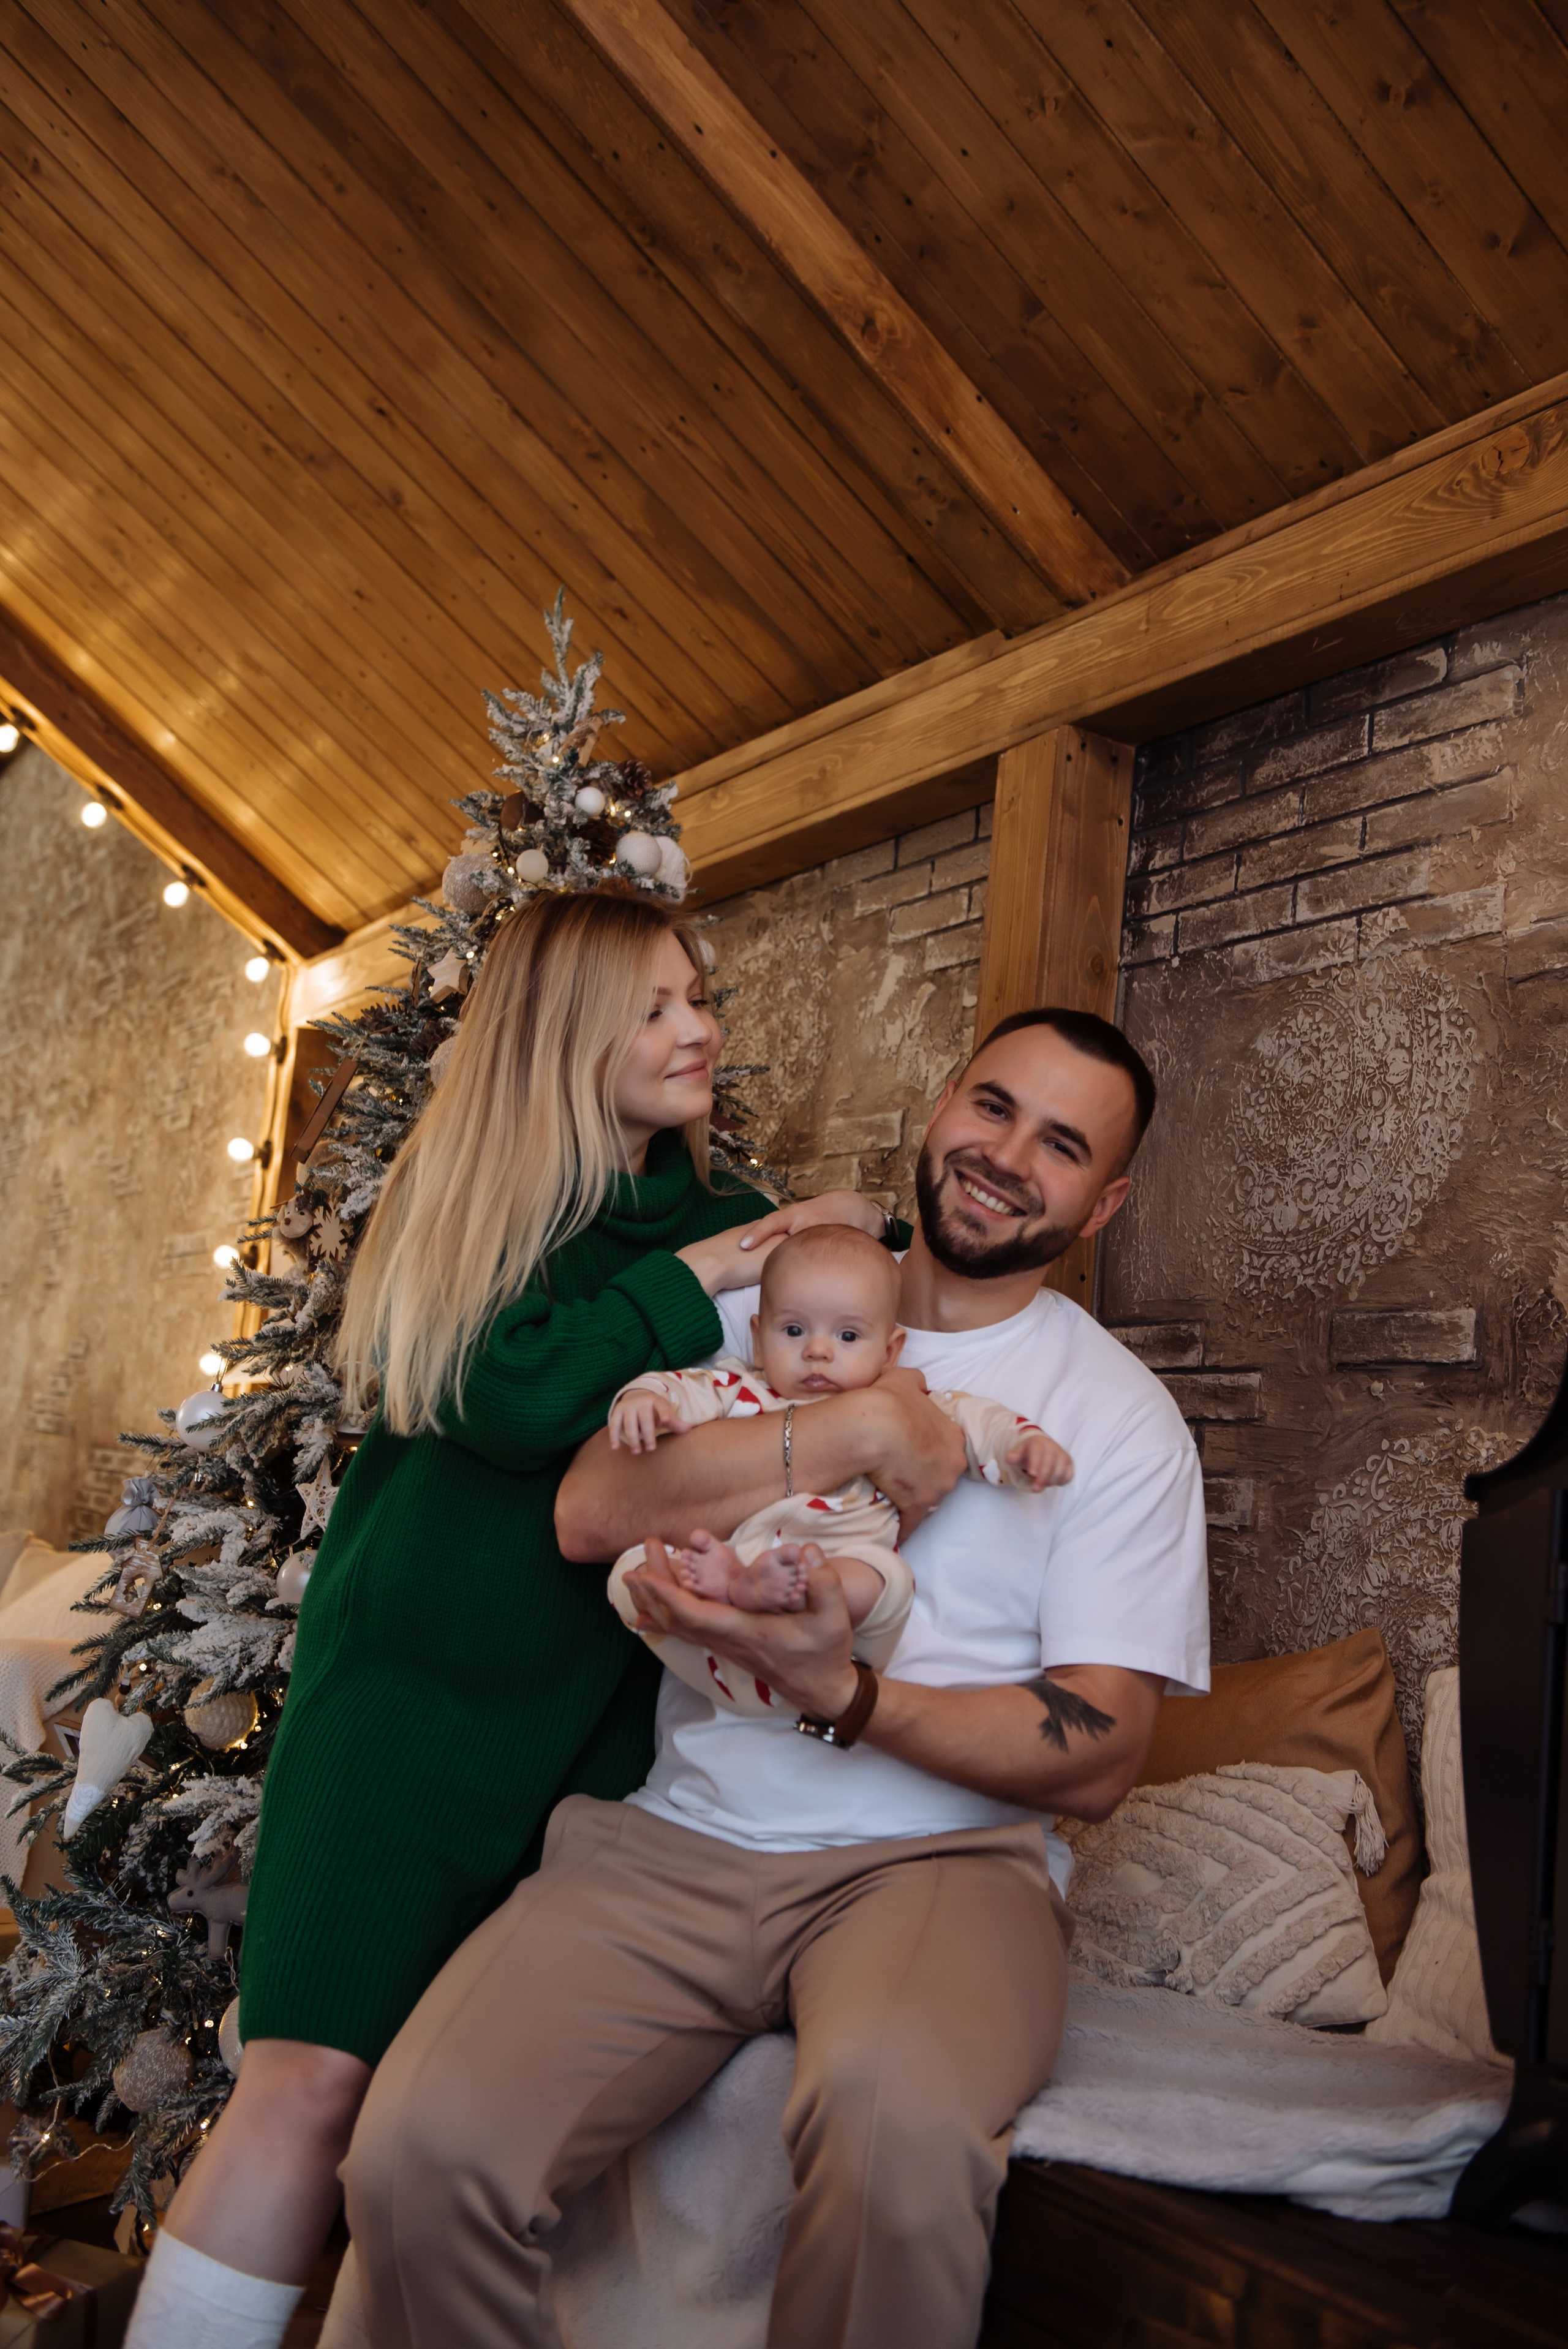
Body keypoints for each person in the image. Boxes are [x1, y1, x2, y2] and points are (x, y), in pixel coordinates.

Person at [339, 1004, 1211, 2349]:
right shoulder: (756, 1311)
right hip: (675, 1839)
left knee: (896, 2132)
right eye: (991, 1107)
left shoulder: (1114, 1418)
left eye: (1060, 1145)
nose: (1004, 1155)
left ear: (1101, 1204)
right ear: (940, 1110)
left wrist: (845, 1696)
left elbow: (1097, 1754)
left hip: (939, 1864)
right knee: (414, 2155)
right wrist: (852, 1421)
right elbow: (589, 1513)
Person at [127, 891, 888, 2349]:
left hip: (592, 1734)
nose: (696, 1027)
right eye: (655, 1002)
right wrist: (701, 1278)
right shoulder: (475, 1203)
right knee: (308, 2081)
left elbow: (836, 1346)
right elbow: (519, 1393)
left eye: (696, 997)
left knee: (459, 2118)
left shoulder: (743, 1219)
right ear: (562, 1026)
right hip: (404, 1715)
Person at [606, 1221, 1070, 1713]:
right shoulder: (744, 1391)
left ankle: (788, 1593)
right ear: (759, 1341)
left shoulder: (911, 1409)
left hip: (836, 1651)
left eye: (848, 1335)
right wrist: (643, 1398)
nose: (818, 1351)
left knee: (886, 1578)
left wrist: (1022, 1445)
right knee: (631, 1571)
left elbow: (977, 1422)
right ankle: (740, 1593)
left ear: (890, 1352)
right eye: (793, 1330)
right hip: (722, 1649)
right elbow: (682, 1388)